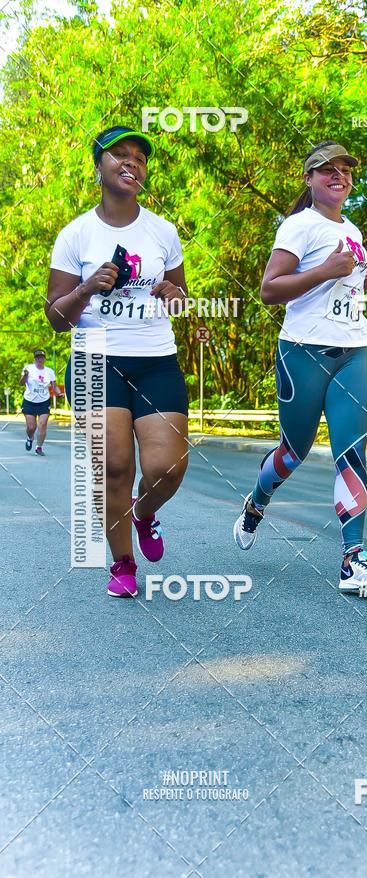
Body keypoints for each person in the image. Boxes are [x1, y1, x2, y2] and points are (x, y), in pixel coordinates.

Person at [234, 141, 367, 595]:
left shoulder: (354, 229)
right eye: (327, 170)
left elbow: (344, 288)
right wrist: (326, 270)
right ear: (309, 179)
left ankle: (352, 557)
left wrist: (365, 278)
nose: (338, 175)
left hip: (352, 351)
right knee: (293, 452)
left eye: (344, 169)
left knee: (352, 452)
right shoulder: (298, 226)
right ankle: (257, 502)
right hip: (302, 353)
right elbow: (269, 289)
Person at [45, 125, 189, 598]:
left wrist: (174, 293)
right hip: (94, 359)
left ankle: (144, 514)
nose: (131, 163)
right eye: (120, 155)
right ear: (99, 165)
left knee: (168, 467)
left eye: (139, 158)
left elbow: (180, 299)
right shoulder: (76, 234)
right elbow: (56, 318)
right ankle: (122, 563)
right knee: (114, 468)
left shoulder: (163, 231)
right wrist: (85, 289)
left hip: (154, 358)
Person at [20, 349, 59, 455]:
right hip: (29, 401)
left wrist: (59, 393)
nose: (39, 359)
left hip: (44, 401)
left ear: (44, 359)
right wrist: (25, 376)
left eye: (41, 357)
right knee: (31, 427)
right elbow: (21, 383)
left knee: (42, 424)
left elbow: (54, 386)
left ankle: (39, 447)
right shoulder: (28, 369)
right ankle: (30, 437)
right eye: (37, 357)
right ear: (34, 359)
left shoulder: (49, 371)